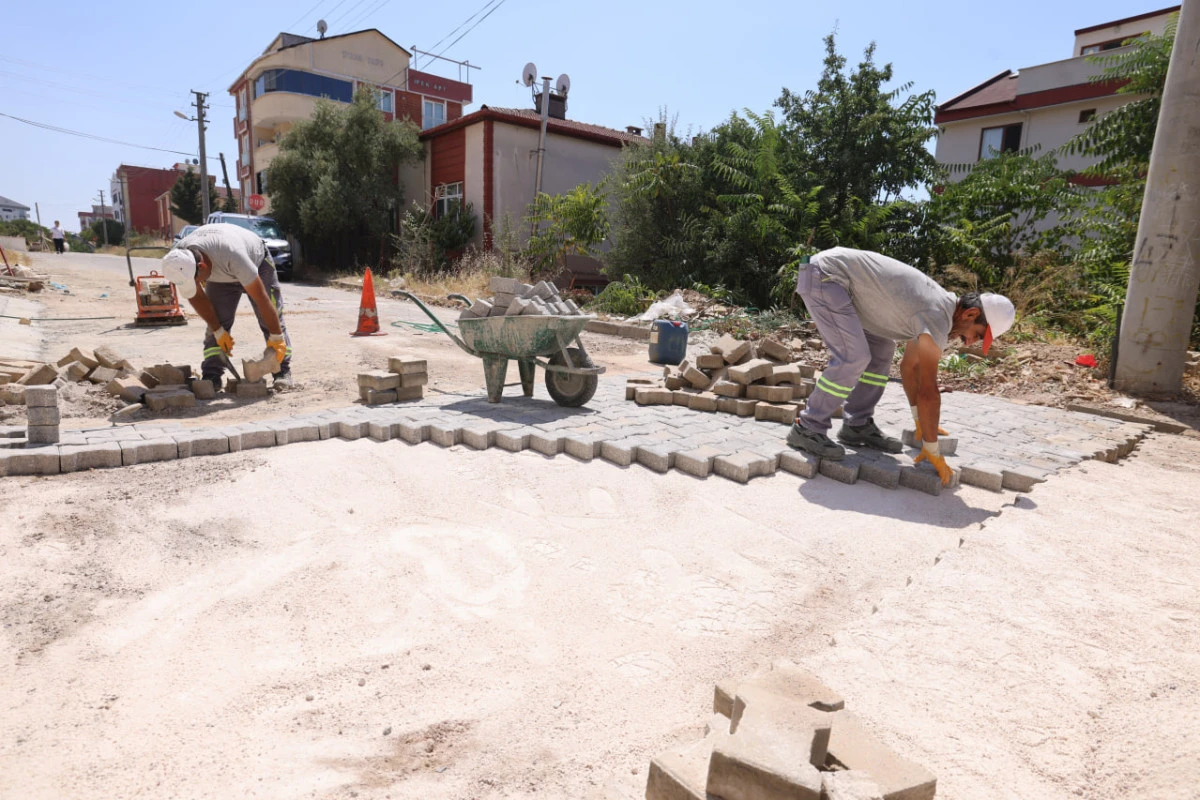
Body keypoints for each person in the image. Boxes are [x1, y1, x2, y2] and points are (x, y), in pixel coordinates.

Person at [787, 246, 1015, 486]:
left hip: (843, 287)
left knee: (882, 351)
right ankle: (808, 427)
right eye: (978, 335)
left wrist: (919, 421)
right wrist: (932, 448)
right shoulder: (937, 315)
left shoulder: (939, 312)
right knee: (854, 356)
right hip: (827, 277)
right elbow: (928, 390)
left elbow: (910, 368)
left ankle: (857, 425)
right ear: (970, 314)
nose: (973, 342)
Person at [160, 222, 293, 390]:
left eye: (197, 280)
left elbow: (262, 300)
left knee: (271, 321)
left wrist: (276, 339)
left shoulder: (232, 254)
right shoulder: (178, 260)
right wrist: (218, 330)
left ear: (202, 267)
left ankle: (282, 371)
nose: (197, 285)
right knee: (216, 323)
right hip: (220, 274)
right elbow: (197, 298)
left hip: (257, 263)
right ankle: (212, 375)